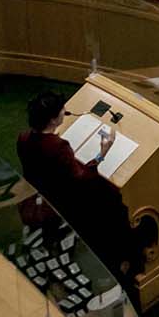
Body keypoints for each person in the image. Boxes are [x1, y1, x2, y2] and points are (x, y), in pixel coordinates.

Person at [17, 90, 150, 285]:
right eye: (61, 109)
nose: (65, 110)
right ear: (53, 119)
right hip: (66, 203)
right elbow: (82, 179)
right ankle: (126, 260)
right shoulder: (58, 146)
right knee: (114, 201)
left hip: (43, 195)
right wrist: (102, 153)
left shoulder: (23, 138)